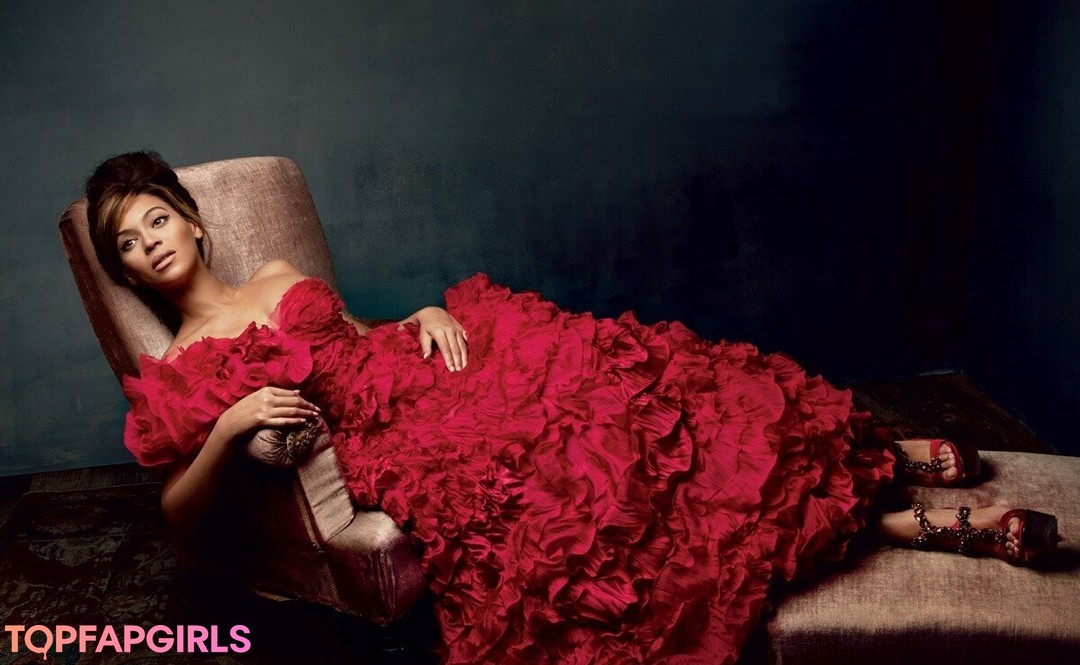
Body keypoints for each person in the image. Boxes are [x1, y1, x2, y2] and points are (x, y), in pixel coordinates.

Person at [86, 151, 1059, 664]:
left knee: (639, 379)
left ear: (193, 219)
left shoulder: (276, 272)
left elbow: (356, 331)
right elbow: (181, 522)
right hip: (405, 442)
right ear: (126, 270)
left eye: (157, 218)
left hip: (431, 368)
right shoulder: (179, 368)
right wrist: (230, 424)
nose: (149, 243)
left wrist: (420, 312)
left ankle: (872, 459)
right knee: (590, 486)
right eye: (127, 242)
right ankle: (904, 517)